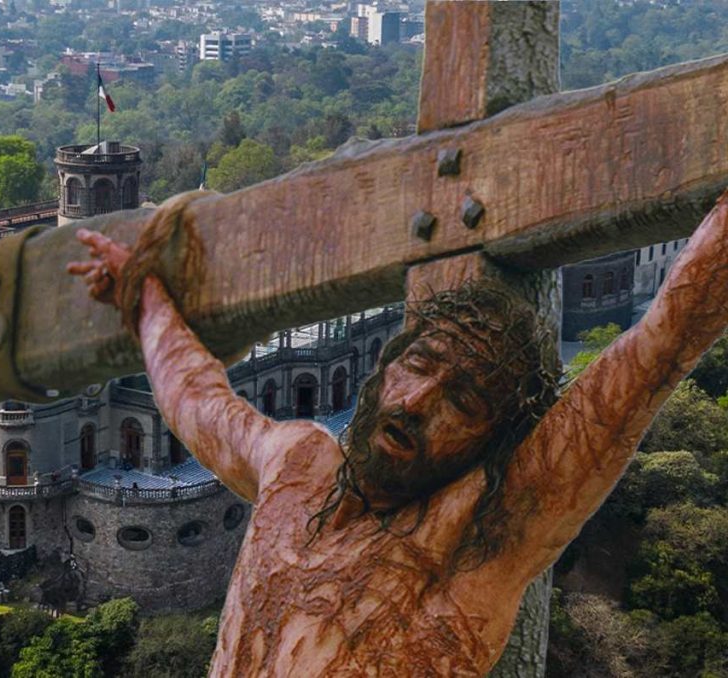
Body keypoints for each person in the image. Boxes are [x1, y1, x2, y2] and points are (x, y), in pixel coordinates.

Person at [67, 190, 728, 676]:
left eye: (461, 402)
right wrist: (143, 297)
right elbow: (194, 398)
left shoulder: (478, 546)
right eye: (418, 365)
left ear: (488, 444)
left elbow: (656, 352)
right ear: (383, 367)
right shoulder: (295, 467)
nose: (417, 402)